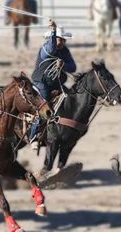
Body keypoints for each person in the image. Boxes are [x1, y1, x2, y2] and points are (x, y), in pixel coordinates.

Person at [29, 20, 76, 149]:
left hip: (55, 83)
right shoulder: (46, 48)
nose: (60, 42)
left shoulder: (65, 51)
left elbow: (73, 67)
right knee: (43, 106)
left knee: (70, 99)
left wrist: (63, 65)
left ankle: (65, 130)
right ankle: (34, 135)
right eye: (58, 39)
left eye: (62, 40)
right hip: (41, 82)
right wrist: (54, 31)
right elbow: (51, 49)